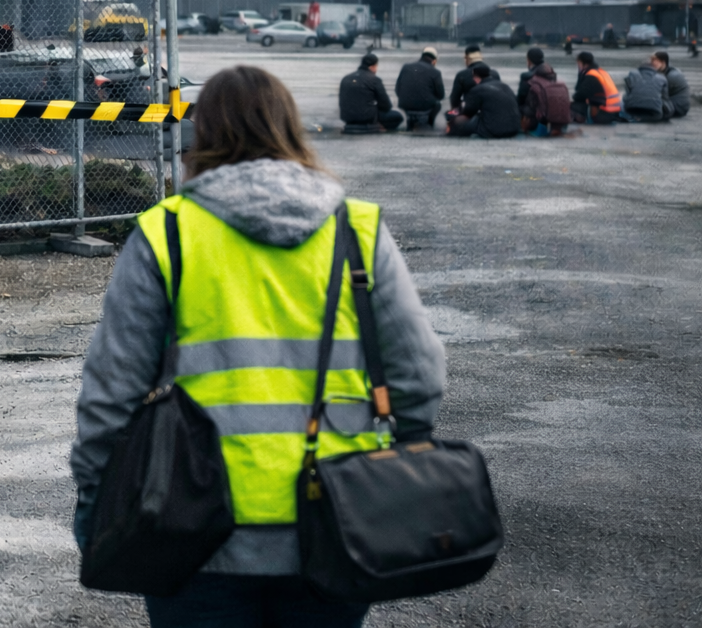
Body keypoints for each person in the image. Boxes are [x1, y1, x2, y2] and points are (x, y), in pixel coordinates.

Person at [72, 65, 444, 628]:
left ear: (202, 134)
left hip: (192, 525)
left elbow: (112, 389)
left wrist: (96, 492)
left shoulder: (167, 232)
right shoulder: (357, 229)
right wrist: (401, 458)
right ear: (289, 127)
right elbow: (418, 372)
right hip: (340, 519)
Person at [449, 62, 521, 139]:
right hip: (514, 129)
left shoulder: (478, 89)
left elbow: (468, 112)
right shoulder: (505, 86)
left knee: (459, 122)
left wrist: (459, 109)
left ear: (476, 78)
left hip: (493, 130)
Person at [339, 53, 404, 133]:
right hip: (367, 118)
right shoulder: (374, 79)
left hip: (347, 118)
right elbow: (386, 105)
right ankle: (379, 127)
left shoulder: (346, 78)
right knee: (397, 116)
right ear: (373, 66)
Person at [394, 46, 445, 129]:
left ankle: (411, 121)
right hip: (424, 108)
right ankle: (429, 124)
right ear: (434, 61)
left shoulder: (405, 67)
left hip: (406, 106)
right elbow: (441, 95)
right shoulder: (436, 72)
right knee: (438, 104)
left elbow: (397, 89)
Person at [571, 52, 622, 124]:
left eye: (578, 63)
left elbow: (579, 95)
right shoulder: (601, 72)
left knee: (573, 106)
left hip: (603, 113)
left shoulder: (591, 75)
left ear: (582, 62)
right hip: (614, 112)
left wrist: (580, 74)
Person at [523, 62, 572, 136]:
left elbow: (531, 106)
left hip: (544, 121)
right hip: (564, 121)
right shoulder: (562, 85)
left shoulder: (536, 86)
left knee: (525, 111)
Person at [449, 45, 498, 111]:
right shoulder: (494, 74)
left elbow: (454, 99)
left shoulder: (462, 75)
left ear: (467, 58)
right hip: (491, 112)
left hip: (470, 112)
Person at [652, 51, 690, 119]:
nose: (653, 64)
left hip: (678, 107)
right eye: (652, 62)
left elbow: (657, 93)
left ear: (663, 62)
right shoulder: (664, 72)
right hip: (674, 105)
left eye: (656, 62)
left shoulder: (673, 76)